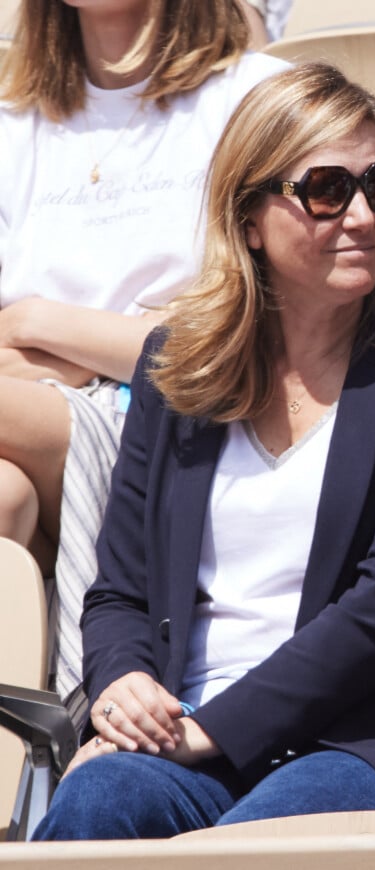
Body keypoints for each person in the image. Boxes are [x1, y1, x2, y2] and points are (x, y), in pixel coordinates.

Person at [33, 61, 375, 841]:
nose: (363, 214)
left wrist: (205, 731)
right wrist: (121, 685)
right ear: (249, 217)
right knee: (97, 802)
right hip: (190, 740)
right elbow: (119, 589)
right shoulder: (175, 367)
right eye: (327, 190)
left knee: (256, 843)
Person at [0, 0, 287, 725]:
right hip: (29, 421)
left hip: (189, 423)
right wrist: (123, 336)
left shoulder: (252, 95)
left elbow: (242, 330)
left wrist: (38, 324)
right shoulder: (12, 120)